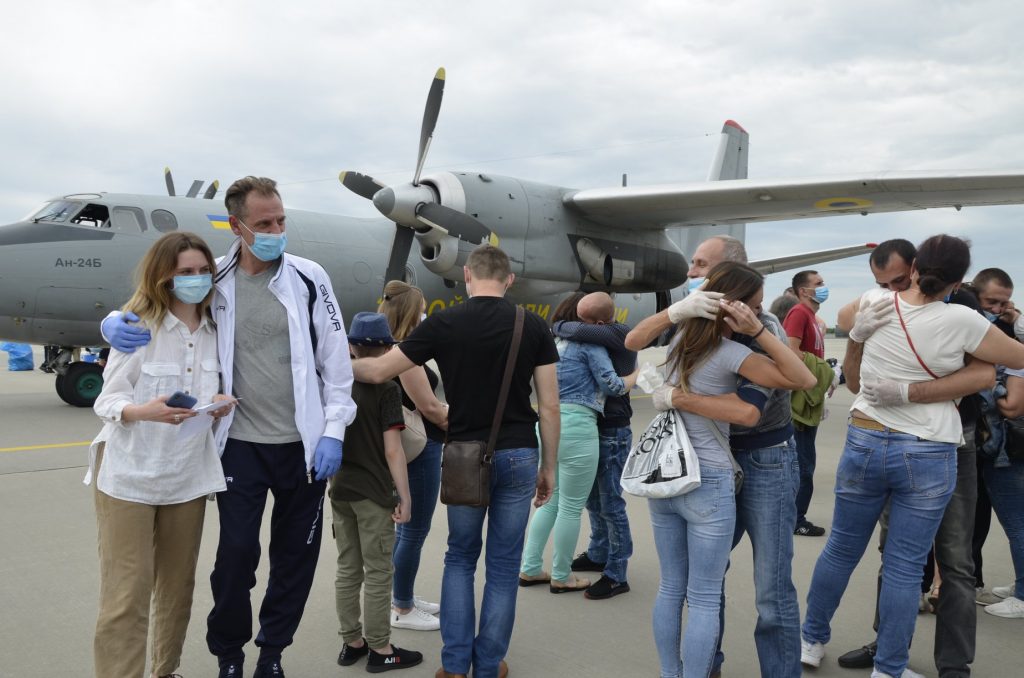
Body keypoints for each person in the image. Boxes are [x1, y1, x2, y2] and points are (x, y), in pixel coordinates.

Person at [102, 176, 357, 678]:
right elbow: (162, 307)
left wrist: (333, 431)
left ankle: (273, 653)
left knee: (294, 562)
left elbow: (336, 362)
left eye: (281, 220)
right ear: (236, 225)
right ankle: (230, 654)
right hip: (239, 443)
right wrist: (112, 321)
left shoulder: (310, 278)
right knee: (236, 558)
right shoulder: (213, 278)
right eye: (264, 223)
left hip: (304, 449)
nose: (276, 230)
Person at [800, 235, 1024, 678]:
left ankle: (810, 639)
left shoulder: (873, 300)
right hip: (927, 449)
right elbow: (1016, 357)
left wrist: (857, 334)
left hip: (865, 438)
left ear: (916, 265)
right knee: (906, 565)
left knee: (841, 550)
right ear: (960, 281)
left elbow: (853, 370)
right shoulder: (964, 318)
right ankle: (890, 668)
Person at [350, 244, 560, 678]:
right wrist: (549, 466)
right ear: (509, 280)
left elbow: (374, 372)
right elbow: (551, 406)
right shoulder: (534, 325)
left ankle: (453, 665)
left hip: (463, 453)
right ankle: (487, 666)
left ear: (467, 276)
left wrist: (320, 356)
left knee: (460, 558)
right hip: (520, 452)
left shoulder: (444, 323)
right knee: (503, 565)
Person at [625, 261, 815, 678]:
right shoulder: (733, 351)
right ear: (733, 308)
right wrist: (751, 330)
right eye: (755, 306)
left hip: (674, 475)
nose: (759, 313)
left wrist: (681, 318)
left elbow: (635, 340)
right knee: (706, 596)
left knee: (675, 588)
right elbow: (801, 380)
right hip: (710, 476)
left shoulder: (680, 345)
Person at [836, 241, 994, 677]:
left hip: (951, 444)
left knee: (956, 562)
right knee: (898, 557)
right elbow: (844, 319)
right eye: (881, 284)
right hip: (893, 439)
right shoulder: (888, 302)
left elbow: (984, 371)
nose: (893, 290)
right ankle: (886, 648)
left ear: (922, 269)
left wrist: (914, 390)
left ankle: (954, 666)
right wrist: (858, 325)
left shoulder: (958, 304)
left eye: (900, 281)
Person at [88, 232, 233, 678]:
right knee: (125, 597)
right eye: (184, 272)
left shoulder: (219, 331)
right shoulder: (138, 327)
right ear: (164, 277)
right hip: (129, 480)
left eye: (202, 271)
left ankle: (165, 670)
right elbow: (106, 400)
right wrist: (142, 411)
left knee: (177, 590)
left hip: (187, 481)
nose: (196, 279)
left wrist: (219, 405)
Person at [520, 292, 636, 593]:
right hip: (579, 426)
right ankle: (561, 576)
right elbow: (611, 385)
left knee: (549, 501)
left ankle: (530, 567)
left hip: (546, 425)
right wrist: (637, 376)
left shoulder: (554, 343)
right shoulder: (592, 345)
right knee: (571, 507)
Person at [332, 312, 422, 672]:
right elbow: (393, 450)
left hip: (340, 489)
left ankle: (351, 641)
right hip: (374, 491)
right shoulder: (387, 389)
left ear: (352, 346)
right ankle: (381, 648)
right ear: (387, 348)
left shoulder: (336, 382)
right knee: (379, 570)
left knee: (347, 568)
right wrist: (405, 495)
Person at [554, 293, 638, 600]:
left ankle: (617, 572)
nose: (582, 327)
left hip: (613, 430)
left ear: (601, 323)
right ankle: (599, 550)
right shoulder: (597, 333)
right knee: (591, 498)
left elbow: (571, 329)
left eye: (588, 321)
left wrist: (560, 324)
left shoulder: (618, 333)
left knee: (611, 500)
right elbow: (572, 329)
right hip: (592, 426)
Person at [377, 280, 450, 631]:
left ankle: (399, 594)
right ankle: (402, 607)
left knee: (404, 530)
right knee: (414, 530)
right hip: (420, 449)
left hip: (405, 447)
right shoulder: (405, 355)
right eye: (422, 309)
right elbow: (430, 408)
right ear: (412, 312)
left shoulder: (381, 348)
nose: (426, 315)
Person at [783, 269, 831, 536]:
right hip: (801, 400)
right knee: (803, 465)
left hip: (811, 397)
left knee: (805, 462)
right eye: (819, 284)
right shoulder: (799, 313)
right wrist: (822, 371)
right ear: (804, 291)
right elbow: (791, 350)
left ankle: (795, 516)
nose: (824, 287)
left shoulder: (811, 316)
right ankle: (796, 519)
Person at [982, 365, 1024, 618]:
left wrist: (986, 384)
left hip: (1013, 450)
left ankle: (1022, 595)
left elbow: (1012, 406)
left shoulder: (1017, 358)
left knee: (1017, 524)